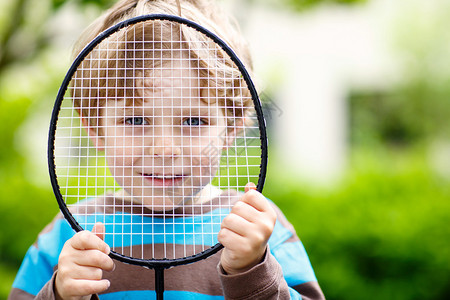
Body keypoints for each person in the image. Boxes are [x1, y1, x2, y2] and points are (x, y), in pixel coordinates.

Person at [9, 0, 325, 299]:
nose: (164, 149)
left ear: (231, 130)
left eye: (192, 120)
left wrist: (252, 270)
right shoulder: (67, 234)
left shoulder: (258, 228)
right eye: (135, 119)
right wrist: (60, 293)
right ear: (95, 131)